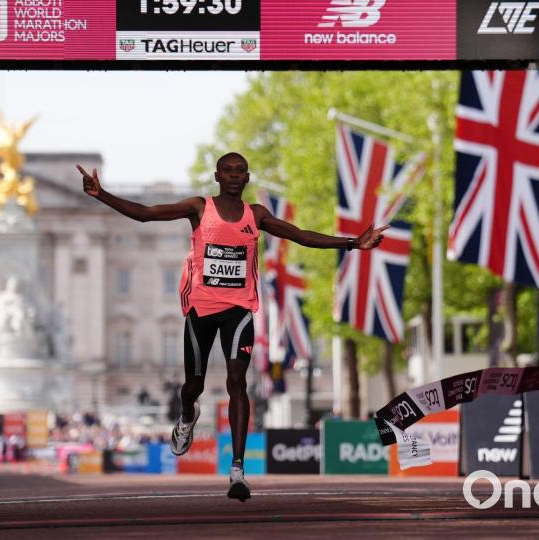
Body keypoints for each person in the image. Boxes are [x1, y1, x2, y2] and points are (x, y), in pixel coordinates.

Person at [76, 153, 388, 501]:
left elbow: (300, 235)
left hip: (239, 310)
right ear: (217, 176)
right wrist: (101, 195)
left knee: (237, 380)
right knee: (192, 385)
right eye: (228, 171)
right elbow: (147, 214)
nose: (235, 176)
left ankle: (237, 469)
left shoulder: (256, 215)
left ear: (248, 178)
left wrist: (352, 243)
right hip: (201, 311)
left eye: (241, 171)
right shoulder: (198, 208)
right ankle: (187, 414)